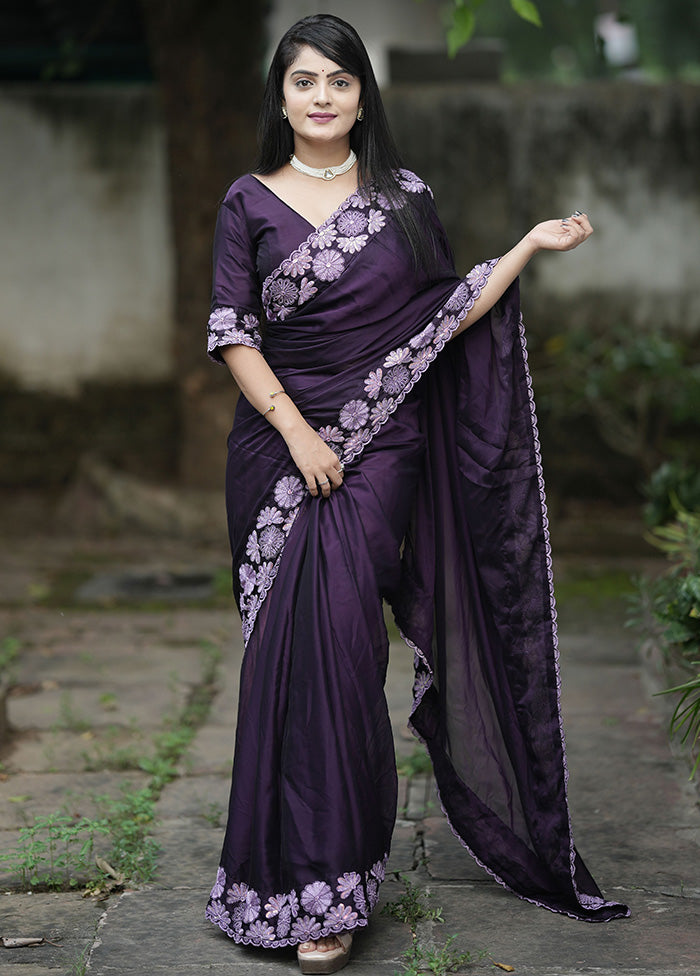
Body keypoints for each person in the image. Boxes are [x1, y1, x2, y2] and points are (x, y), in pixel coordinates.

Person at [204, 13, 629, 975]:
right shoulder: (247, 202)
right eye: (305, 80)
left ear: (363, 95)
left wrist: (522, 248)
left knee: (348, 655)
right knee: (287, 660)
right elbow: (232, 330)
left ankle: (333, 887)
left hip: (376, 457)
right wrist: (299, 431)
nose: (322, 97)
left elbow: (439, 318)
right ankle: (272, 879)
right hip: (278, 455)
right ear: (281, 95)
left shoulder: (402, 200)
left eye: (340, 81)